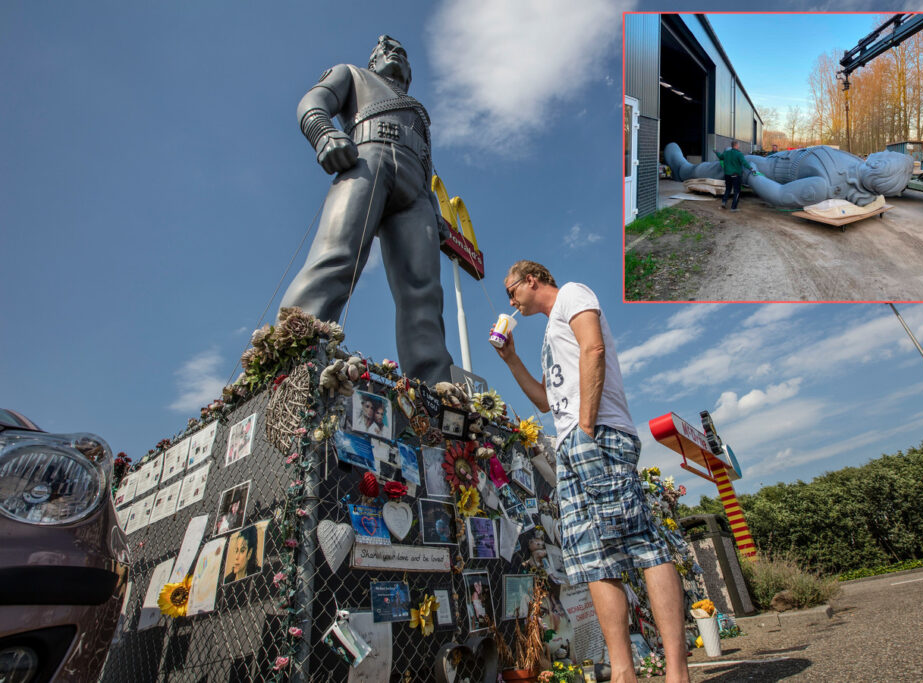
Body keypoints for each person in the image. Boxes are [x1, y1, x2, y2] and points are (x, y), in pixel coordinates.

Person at [493, 261, 690, 683]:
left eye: (512, 291)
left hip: (597, 433)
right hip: (568, 445)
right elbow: (545, 401)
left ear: (532, 279)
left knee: (640, 542)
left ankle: (677, 672)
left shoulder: (572, 294)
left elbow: (593, 348)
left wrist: (585, 425)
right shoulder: (547, 333)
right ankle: (623, 673)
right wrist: (510, 359)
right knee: (592, 559)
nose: (511, 302)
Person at [280, 35, 454, 384]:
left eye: (402, 54)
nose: (394, 55)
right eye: (385, 51)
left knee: (424, 293)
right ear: (373, 61)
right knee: (336, 258)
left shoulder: (419, 112)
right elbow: (313, 101)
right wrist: (322, 132)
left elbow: (428, 165)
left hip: (416, 192)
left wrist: (436, 212)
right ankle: (289, 359)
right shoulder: (352, 74)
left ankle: (433, 389)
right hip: (366, 158)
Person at [665, 141, 913, 209]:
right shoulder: (855, 163)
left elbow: (781, 195)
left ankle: (685, 170)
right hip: (775, 159)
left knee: (732, 161)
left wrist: (750, 174)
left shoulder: (821, 186)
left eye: (882, 157)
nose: (879, 152)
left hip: (762, 167)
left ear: (877, 168)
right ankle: (685, 168)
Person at [716, 140, 753, 211]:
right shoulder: (739, 154)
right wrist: (751, 168)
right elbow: (744, 162)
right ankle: (733, 208)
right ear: (736, 145)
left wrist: (716, 152)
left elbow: (720, 157)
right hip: (735, 175)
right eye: (738, 145)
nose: (739, 146)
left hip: (727, 175)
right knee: (737, 191)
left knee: (728, 189)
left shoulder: (726, 153)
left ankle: (724, 202)